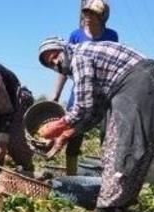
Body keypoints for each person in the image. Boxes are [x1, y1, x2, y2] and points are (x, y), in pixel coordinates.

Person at [37, 37, 154, 212]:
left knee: (119, 151)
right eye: (50, 64)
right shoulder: (86, 60)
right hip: (150, 85)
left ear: (63, 48)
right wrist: (66, 134)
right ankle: (115, 211)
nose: (56, 63)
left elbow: (83, 106)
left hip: (137, 85)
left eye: (55, 56)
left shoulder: (79, 57)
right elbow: (94, 112)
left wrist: (57, 125)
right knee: (136, 153)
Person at [51, 0, 119, 175]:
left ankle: (107, 174)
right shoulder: (76, 36)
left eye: (93, 13)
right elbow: (65, 68)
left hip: (104, 93)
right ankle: (71, 176)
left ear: (102, 16)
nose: (88, 17)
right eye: (86, 13)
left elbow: (114, 63)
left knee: (107, 132)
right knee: (73, 132)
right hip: (81, 91)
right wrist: (56, 94)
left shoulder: (111, 36)